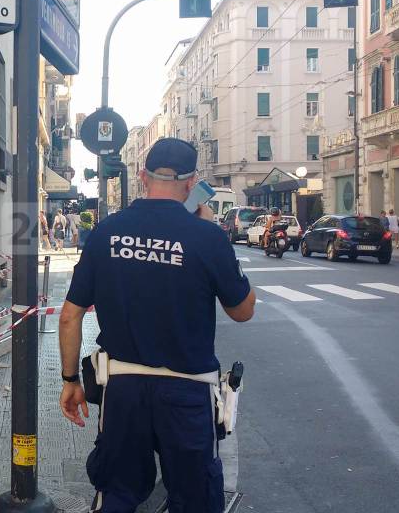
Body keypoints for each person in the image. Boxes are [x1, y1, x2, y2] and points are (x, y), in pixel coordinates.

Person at [58, 138, 256, 513]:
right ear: (192, 181)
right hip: (187, 394)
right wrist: (215, 238)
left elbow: (70, 316)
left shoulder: (106, 232)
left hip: (122, 389)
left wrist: (70, 381)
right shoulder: (207, 237)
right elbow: (243, 310)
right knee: (195, 498)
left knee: (116, 493)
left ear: (142, 175)